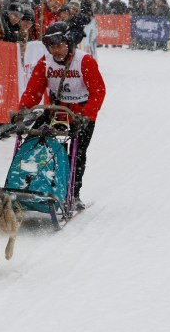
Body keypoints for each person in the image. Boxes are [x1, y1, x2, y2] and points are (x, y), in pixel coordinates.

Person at [18, 22, 106, 210]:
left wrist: (87, 114)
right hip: (55, 110)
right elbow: (33, 90)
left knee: (77, 153)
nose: (55, 51)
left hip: (80, 114)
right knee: (33, 139)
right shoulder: (45, 62)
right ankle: (28, 184)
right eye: (51, 47)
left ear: (69, 43)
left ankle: (73, 194)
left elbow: (98, 91)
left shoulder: (85, 61)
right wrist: (23, 110)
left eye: (59, 46)